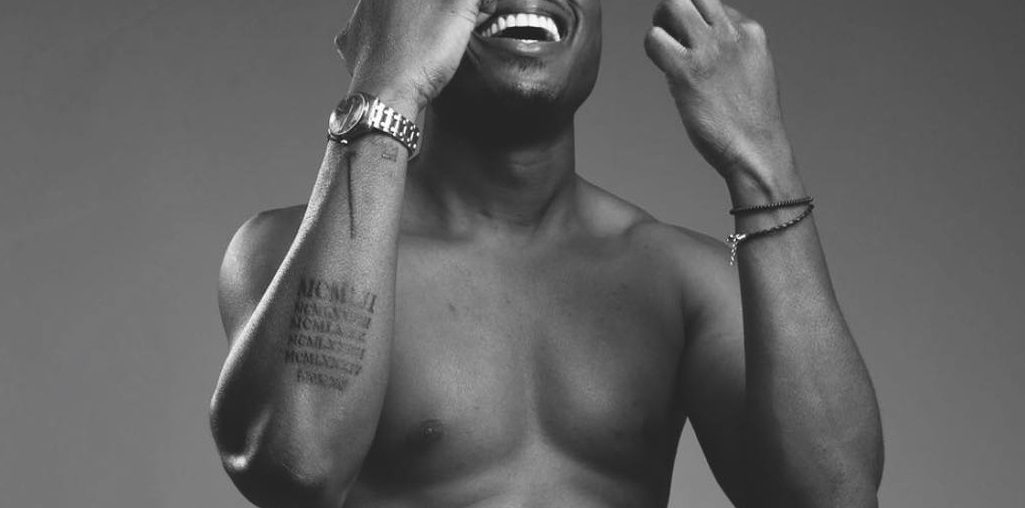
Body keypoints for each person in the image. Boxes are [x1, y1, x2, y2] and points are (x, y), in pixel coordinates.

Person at [209, 0, 884, 506]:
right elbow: (295, 467)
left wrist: (761, 159)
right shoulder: (290, 254)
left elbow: (836, 497)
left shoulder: (678, 279)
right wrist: (387, 91)